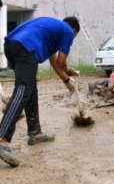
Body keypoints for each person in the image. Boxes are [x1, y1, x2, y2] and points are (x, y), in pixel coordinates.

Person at [0, 16, 80, 167]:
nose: (71, 39)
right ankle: (1, 139)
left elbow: (54, 63)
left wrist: (66, 81)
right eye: (74, 37)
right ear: (74, 30)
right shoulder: (68, 31)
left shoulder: (51, 29)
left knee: (30, 87)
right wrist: (69, 71)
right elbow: (62, 63)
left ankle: (35, 132)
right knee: (24, 89)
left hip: (12, 46)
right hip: (25, 47)